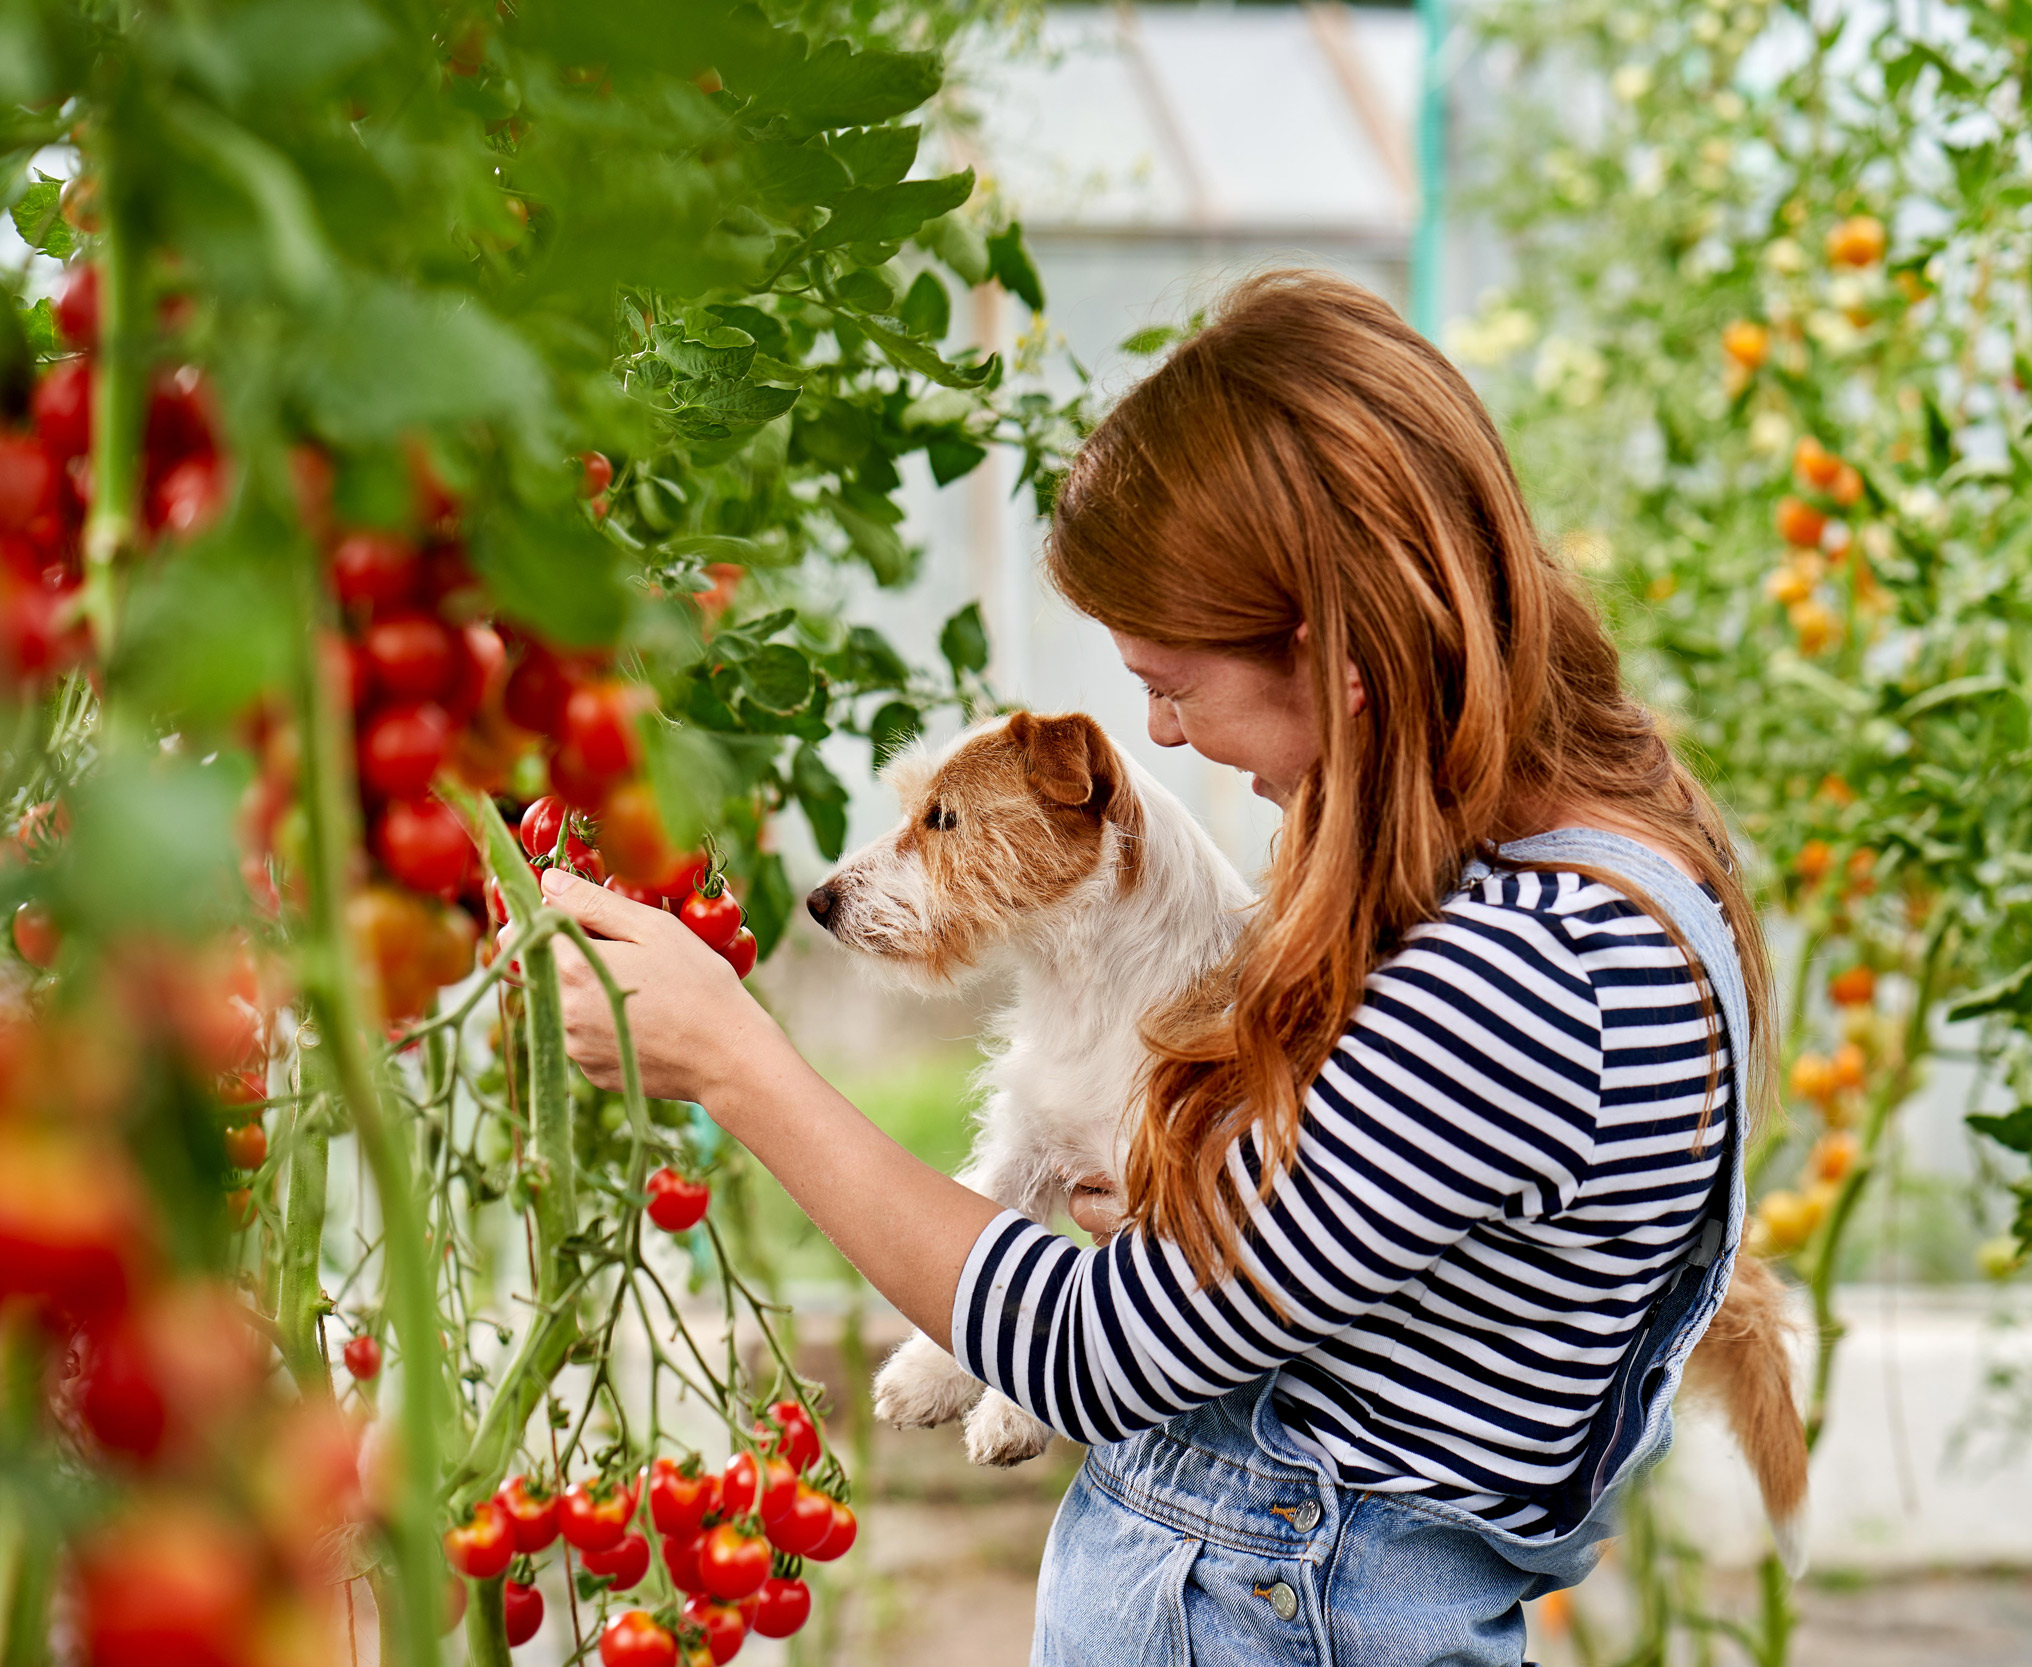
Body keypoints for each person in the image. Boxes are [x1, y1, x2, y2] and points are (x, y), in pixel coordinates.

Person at [529, 269, 1778, 1665]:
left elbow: (1094, 1349)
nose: (1163, 739)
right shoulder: (1602, 870)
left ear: (1337, 648)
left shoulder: (1527, 975)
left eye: (1175, 685)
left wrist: (734, 1063)